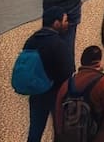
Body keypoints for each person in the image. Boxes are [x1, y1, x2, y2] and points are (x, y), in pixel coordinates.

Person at [20, 10, 74, 142]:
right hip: (56, 93)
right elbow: (68, 70)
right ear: (56, 23)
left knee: (35, 131)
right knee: (60, 131)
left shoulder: (31, 40)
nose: (67, 24)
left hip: (36, 92)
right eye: (65, 21)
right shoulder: (59, 44)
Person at [52, 45, 104, 142]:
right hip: (95, 136)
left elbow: (58, 115)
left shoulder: (66, 84)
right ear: (99, 62)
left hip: (70, 137)